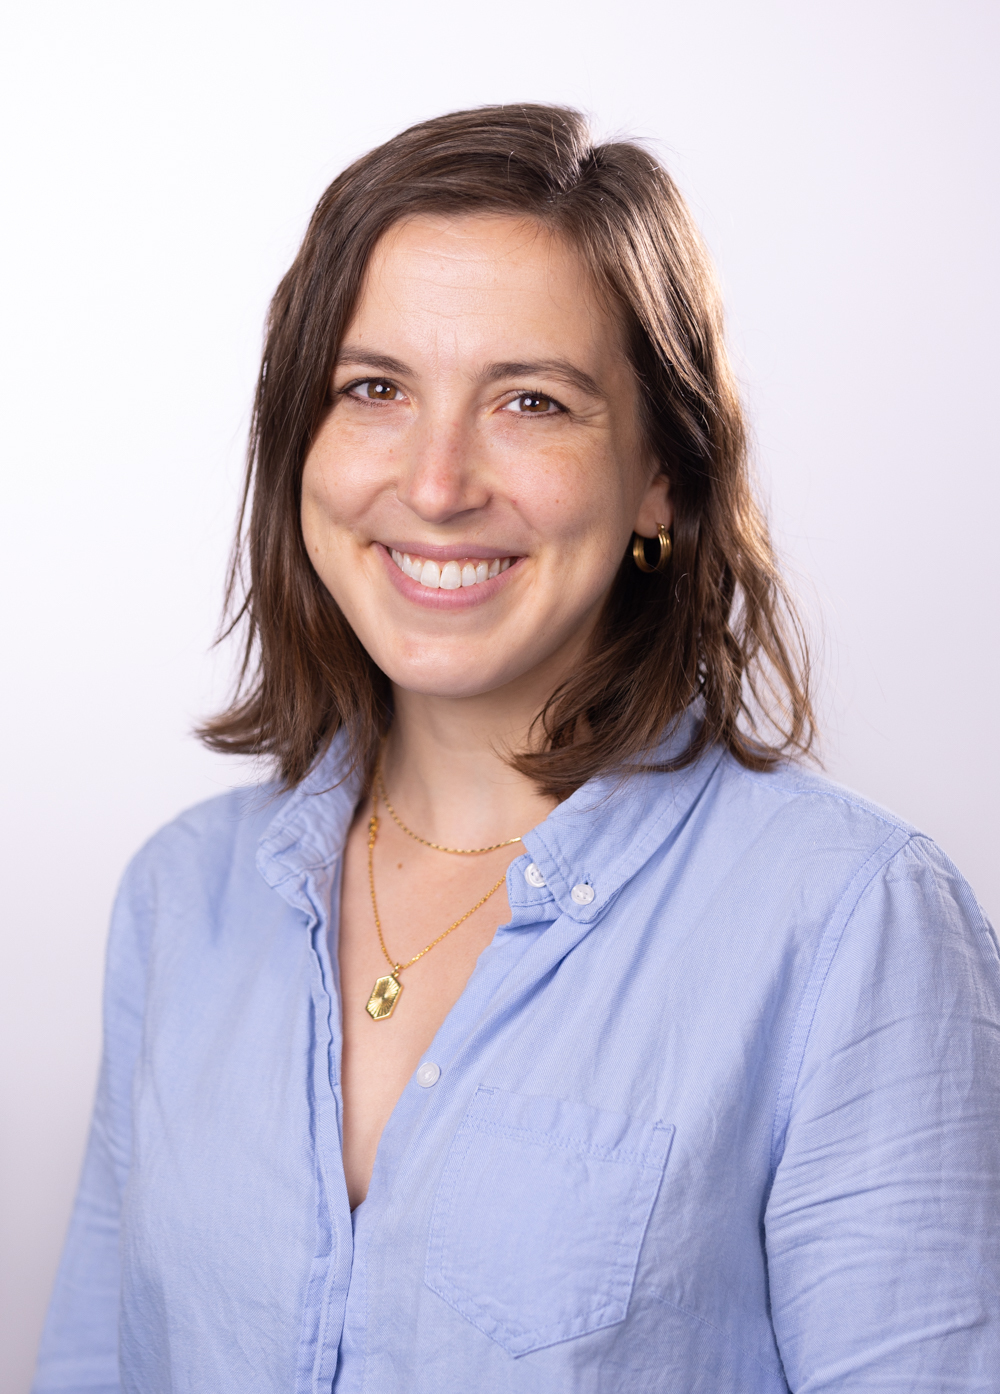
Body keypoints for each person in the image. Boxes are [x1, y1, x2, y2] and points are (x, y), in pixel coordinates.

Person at [33, 104, 999, 1394]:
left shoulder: (852, 923)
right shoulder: (181, 899)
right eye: (374, 389)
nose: (438, 485)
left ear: (662, 476)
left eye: (531, 402)